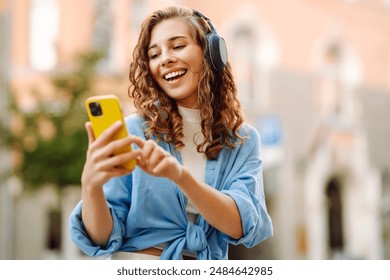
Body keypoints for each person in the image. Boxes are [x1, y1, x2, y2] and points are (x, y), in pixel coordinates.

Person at [69, 6, 272, 260]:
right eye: (154, 54)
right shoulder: (134, 132)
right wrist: (91, 187)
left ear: (211, 53)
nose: (165, 59)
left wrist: (180, 176)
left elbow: (240, 224)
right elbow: (102, 238)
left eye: (177, 46)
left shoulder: (243, 140)